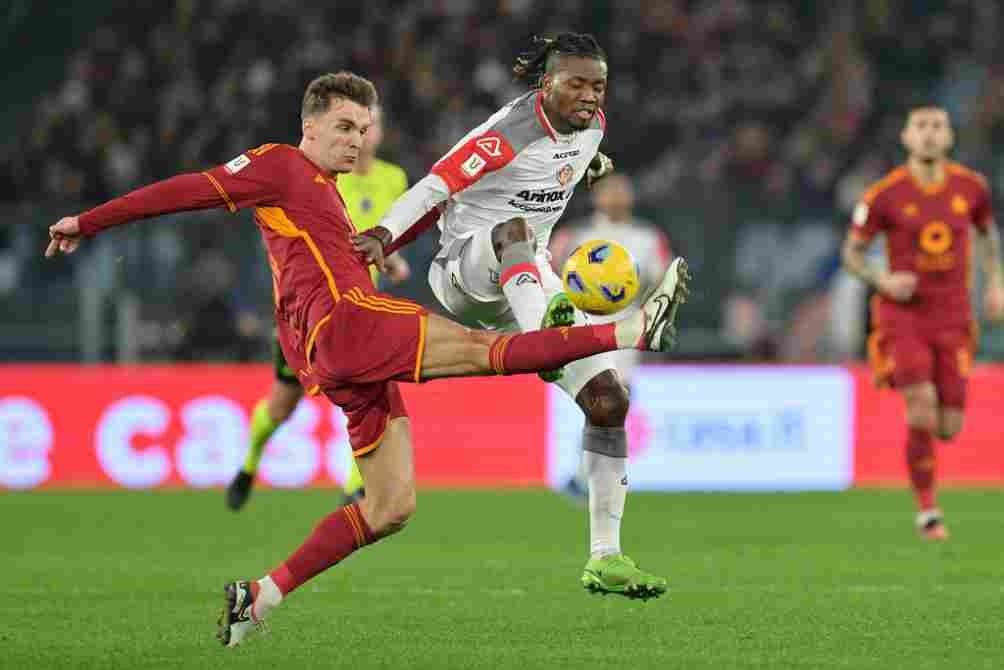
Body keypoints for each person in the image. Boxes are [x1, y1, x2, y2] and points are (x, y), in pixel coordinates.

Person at [44, 71, 689, 647]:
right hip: (351, 324)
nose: (356, 141)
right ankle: (631, 328)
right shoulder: (280, 165)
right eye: (344, 127)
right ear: (311, 125)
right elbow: (188, 190)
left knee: (391, 507)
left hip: (332, 356)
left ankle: (259, 597)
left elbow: (310, 262)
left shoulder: (324, 189)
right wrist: (90, 222)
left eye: (364, 129)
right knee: (490, 352)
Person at [358, 33, 684, 599]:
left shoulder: (593, 127)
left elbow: (566, 166)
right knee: (514, 233)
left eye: (598, 85)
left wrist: (592, 163)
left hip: (529, 281)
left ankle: (605, 556)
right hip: (467, 271)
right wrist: (384, 235)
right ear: (546, 84)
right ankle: (557, 331)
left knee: (609, 400)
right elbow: (437, 187)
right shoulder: (508, 131)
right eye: (576, 83)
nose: (589, 96)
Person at [225, 104, 411, 511]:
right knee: (281, 406)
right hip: (308, 314)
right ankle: (249, 463)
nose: (364, 133)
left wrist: (390, 257)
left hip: (363, 310)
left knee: (372, 391)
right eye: (354, 125)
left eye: (371, 125)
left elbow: (383, 233)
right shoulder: (320, 177)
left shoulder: (393, 179)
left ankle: (354, 487)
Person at [841, 105, 1004, 541]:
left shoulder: (972, 188)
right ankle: (928, 513)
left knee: (949, 427)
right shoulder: (884, 195)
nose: (929, 135)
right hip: (903, 316)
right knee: (921, 404)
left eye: (937, 127)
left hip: (953, 317)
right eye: (921, 127)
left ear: (949, 137)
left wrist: (996, 283)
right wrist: (883, 279)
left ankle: (926, 476)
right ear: (906, 137)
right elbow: (852, 254)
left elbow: (988, 235)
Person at [549, 174, 673, 498]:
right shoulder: (575, 235)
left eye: (622, 190)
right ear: (596, 196)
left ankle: (588, 475)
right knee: (600, 402)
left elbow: (662, 285)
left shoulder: (647, 237)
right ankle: (591, 475)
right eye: (609, 190)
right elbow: (548, 274)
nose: (616, 196)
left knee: (612, 403)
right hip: (584, 327)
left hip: (625, 331)